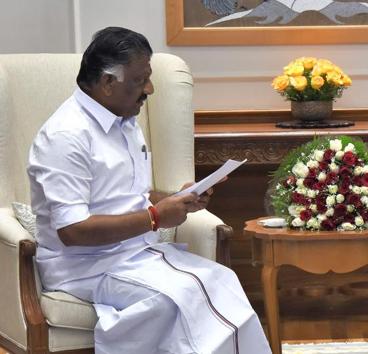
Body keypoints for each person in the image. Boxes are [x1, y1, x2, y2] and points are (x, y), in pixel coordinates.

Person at [27, 27, 271, 354]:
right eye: (140, 80)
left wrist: (175, 200)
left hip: (134, 255)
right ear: (107, 82)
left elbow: (130, 195)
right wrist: (156, 217)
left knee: (223, 280)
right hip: (85, 267)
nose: (150, 89)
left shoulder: (125, 120)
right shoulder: (65, 136)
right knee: (177, 299)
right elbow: (72, 230)